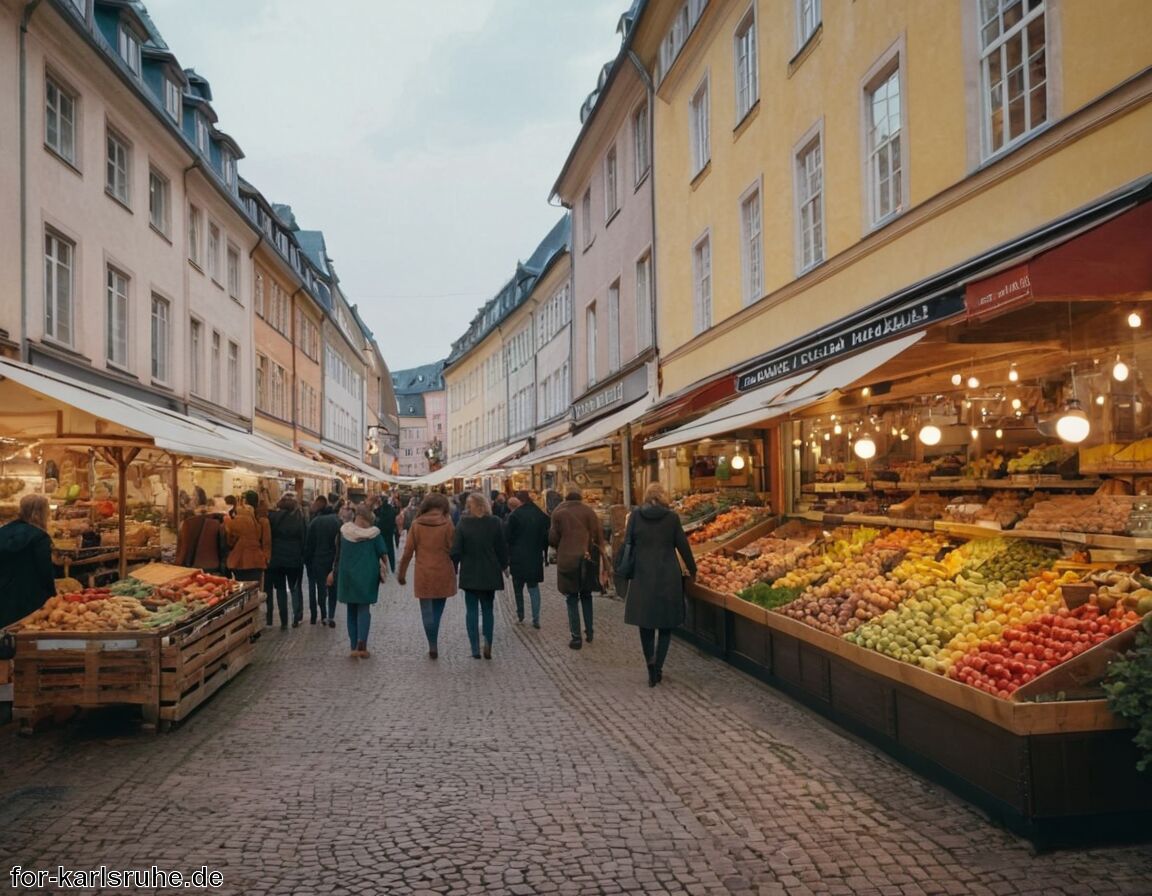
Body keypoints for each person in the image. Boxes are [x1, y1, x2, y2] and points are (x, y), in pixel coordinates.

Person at [623, 483, 698, 687]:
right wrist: (693, 569)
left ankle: (650, 664)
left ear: (647, 497)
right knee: (665, 624)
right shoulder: (671, 518)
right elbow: (682, 545)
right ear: (663, 497)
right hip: (667, 576)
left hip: (642, 575)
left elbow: (627, 542)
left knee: (645, 624)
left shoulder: (636, 516)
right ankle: (658, 667)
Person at [396, 493, 457, 659]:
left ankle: (432, 643)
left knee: (426, 612)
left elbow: (408, 552)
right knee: (437, 609)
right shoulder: (447, 524)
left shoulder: (416, 525)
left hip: (423, 573)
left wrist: (401, 573)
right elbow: (453, 548)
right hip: (443, 571)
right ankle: (434, 639)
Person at [549, 485, 606, 650]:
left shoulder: (558, 513)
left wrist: (563, 544)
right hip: (586, 559)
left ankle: (576, 637)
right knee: (586, 596)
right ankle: (589, 632)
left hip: (568, 560)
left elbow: (552, 539)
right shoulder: (589, 512)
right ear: (580, 496)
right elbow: (598, 536)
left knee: (572, 598)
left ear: (566, 497)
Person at [451, 492, 508, 659]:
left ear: (470, 507)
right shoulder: (495, 522)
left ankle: (475, 648)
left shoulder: (463, 523)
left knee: (471, 611)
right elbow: (501, 548)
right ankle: (488, 642)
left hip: (469, 572)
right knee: (488, 610)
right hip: (490, 571)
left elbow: (455, 551)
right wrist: (504, 566)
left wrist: (455, 566)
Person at [328, 505, 388, 658]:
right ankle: (362, 642)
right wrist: (385, 568)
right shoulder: (374, 534)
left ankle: (353, 645)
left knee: (351, 611)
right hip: (367, 576)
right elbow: (383, 554)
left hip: (347, 575)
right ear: (368, 520)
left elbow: (337, 555)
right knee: (363, 610)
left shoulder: (343, 532)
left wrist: (333, 572)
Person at [0, 495, 55, 629]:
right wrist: (52, 594)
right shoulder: (40, 537)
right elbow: (45, 570)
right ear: (40, 513)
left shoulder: (3, 531)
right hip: (30, 600)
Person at [505, 490, 549, 628]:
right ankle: (536, 618)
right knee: (534, 588)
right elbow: (546, 536)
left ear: (519, 500)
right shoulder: (541, 514)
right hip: (535, 556)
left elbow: (508, 538)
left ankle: (520, 614)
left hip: (518, 557)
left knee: (518, 588)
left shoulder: (515, 515)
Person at [267, 493, 307, 628]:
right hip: (294, 559)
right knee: (295, 588)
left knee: (280, 590)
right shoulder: (298, 518)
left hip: (276, 558)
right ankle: (296, 617)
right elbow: (303, 537)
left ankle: (283, 621)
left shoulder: (272, 517)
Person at [304, 495, 341, 627]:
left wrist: (307, 561)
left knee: (321, 588)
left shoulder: (314, 522)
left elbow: (309, 545)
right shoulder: (337, 521)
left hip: (319, 560)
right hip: (333, 560)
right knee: (332, 589)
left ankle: (323, 614)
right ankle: (331, 615)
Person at [225, 490, 271, 596]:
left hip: (238, 560)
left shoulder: (238, 517)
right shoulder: (262, 519)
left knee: (241, 591)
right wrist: (266, 558)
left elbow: (230, 540)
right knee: (255, 590)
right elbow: (266, 542)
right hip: (256, 560)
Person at [175, 503, 226, 574]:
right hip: (215, 565)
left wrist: (178, 564)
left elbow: (184, 548)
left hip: (198, 565)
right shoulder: (215, 522)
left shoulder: (188, 524)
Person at [373, 494, 399, 572]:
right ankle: (392, 567)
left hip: (381, 532)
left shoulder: (380, 509)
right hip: (389, 532)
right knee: (390, 550)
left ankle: (382, 567)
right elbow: (395, 516)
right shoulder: (391, 509)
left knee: (380, 550)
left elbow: (374, 515)